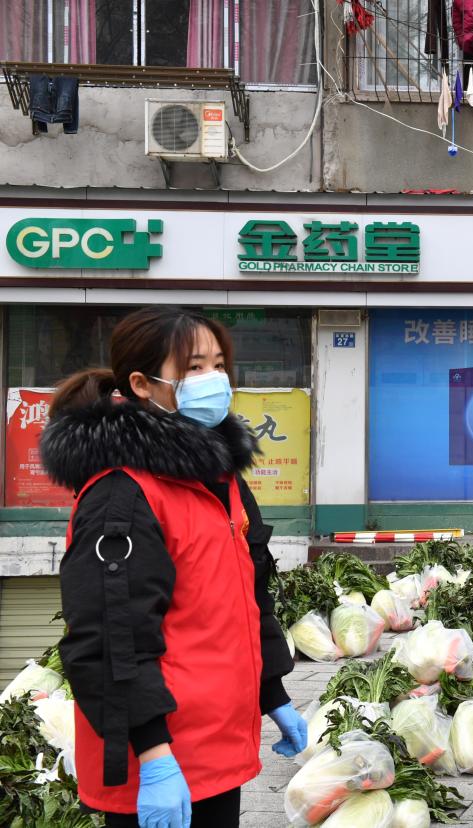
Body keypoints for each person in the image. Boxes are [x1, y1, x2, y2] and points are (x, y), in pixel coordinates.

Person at [39, 307, 307, 828]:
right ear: (141, 383)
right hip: (154, 757)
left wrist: (270, 691)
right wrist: (154, 756)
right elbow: (107, 636)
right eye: (193, 368)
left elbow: (249, 593)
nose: (213, 381)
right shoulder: (122, 494)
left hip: (215, 746)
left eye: (217, 364)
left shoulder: (218, 477)